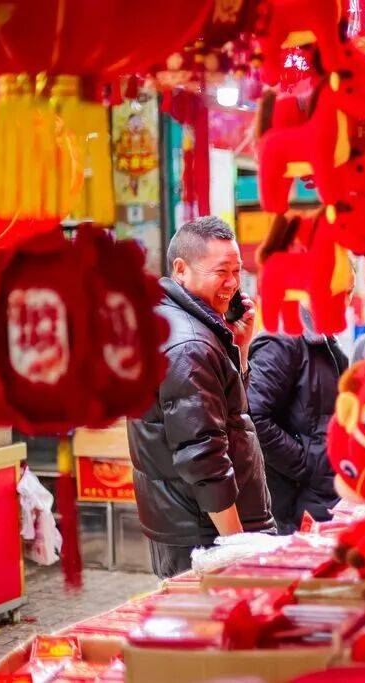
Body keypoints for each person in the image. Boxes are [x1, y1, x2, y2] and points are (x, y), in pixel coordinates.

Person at [128, 216, 274, 578]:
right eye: (221, 271)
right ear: (181, 269)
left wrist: (239, 349)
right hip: (206, 533)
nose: (232, 283)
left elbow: (220, 415)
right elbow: (202, 455)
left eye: (237, 272)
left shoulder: (178, 325)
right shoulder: (190, 344)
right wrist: (235, 545)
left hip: (192, 525)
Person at [248, 309, 349, 533]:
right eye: (340, 293)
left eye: (349, 293)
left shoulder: (327, 340)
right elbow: (254, 415)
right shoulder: (282, 339)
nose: (345, 300)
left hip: (322, 490)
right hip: (293, 495)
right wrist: (306, 462)